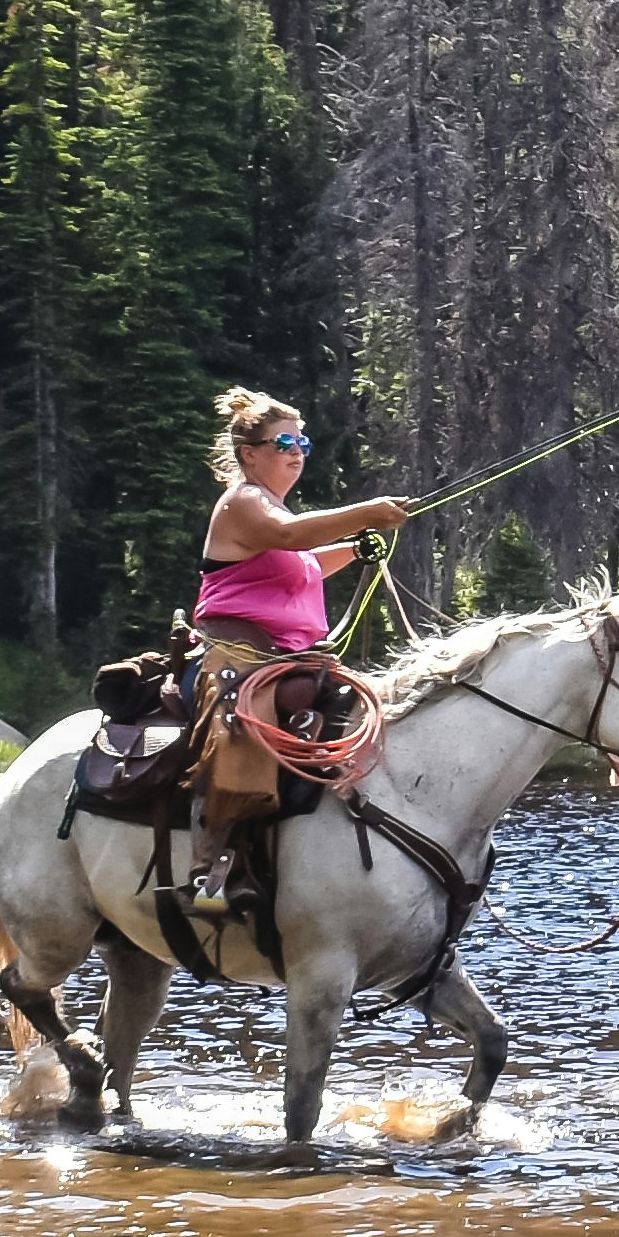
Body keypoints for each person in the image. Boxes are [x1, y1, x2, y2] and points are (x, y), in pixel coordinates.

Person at [180, 389, 408, 911]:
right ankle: (211, 867)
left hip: (289, 654)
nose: (297, 449)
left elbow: (302, 563)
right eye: (284, 440)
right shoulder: (244, 503)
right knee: (245, 723)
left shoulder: (276, 511)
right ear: (248, 453)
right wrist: (366, 513)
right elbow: (286, 536)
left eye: (302, 440)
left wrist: (354, 546)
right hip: (238, 649)